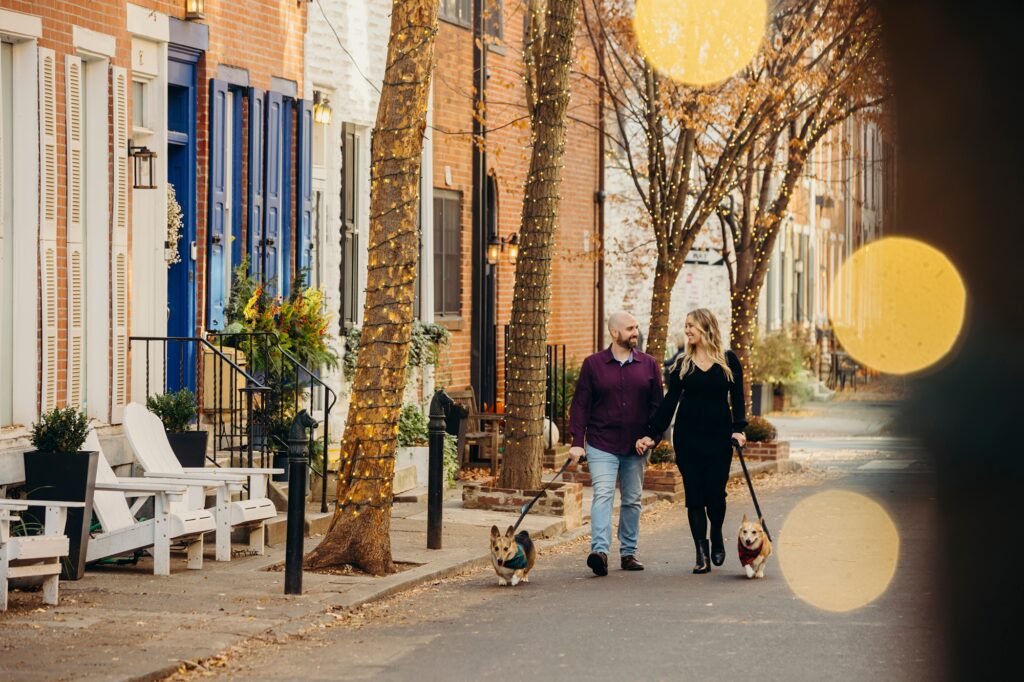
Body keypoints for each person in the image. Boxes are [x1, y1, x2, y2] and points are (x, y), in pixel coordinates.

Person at [638, 308, 747, 574]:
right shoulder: (681, 364)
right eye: (686, 326)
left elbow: (739, 400)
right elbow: (669, 403)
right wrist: (652, 434)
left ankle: (717, 534)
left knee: (716, 495)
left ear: (705, 327)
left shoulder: (728, 361)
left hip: (719, 438)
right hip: (687, 439)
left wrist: (739, 429)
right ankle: (701, 553)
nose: (687, 330)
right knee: (695, 497)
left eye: (691, 326)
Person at [569, 311, 664, 576]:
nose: (635, 332)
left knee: (632, 500)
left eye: (636, 327)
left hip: (636, 447)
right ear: (614, 332)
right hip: (601, 444)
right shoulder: (593, 365)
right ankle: (599, 551)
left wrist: (653, 437)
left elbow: (658, 408)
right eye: (630, 328)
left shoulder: (649, 365)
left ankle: (629, 553)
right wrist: (577, 441)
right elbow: (580, 406)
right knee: (603, 495)